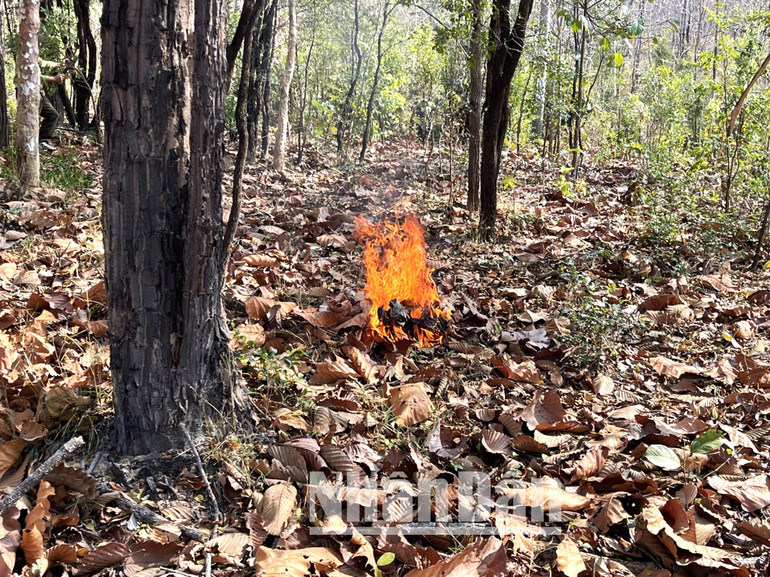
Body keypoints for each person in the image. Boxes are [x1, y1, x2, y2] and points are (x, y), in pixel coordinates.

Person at [38, 59, 66, 151]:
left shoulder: (34, 55)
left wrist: (59, 64)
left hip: (38, 92)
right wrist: (53, 79)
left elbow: (43, 63)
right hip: (26, 92)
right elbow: (31, 75)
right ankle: (28, 145)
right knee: (32, 119)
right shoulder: (23, 55)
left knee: (52, 115)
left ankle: (43, 141)